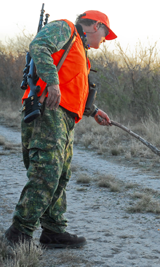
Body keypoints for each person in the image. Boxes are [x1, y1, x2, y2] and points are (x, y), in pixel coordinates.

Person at [4, 10, 117, 248]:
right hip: (48, 110)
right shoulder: (65, 28)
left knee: (61, 175)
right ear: (96, 26)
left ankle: (53, 231)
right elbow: (39, 45)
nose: (105, 40)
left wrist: (94, 111)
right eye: (106, 34)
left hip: (65, 117)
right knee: (47, 172)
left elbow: (72, 86)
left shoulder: (81, 52)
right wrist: (52, 83)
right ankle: (19, 232)